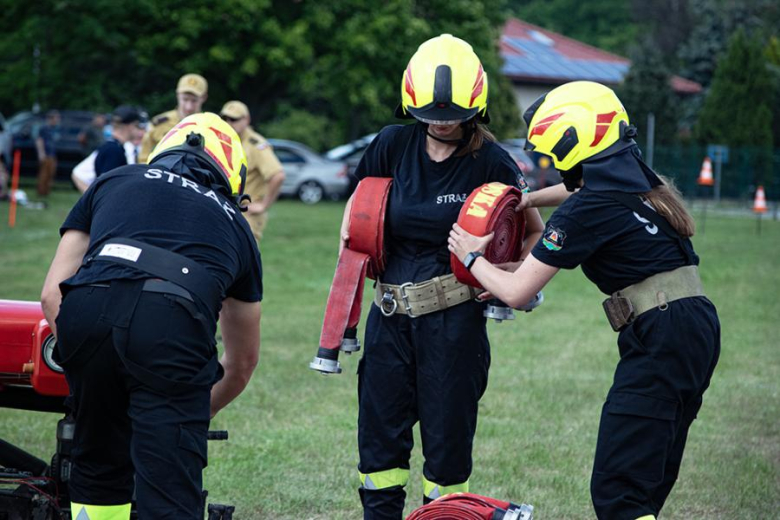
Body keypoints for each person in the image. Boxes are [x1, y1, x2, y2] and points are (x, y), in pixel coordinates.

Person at [448, 81, 720, 520]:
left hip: (662, 334)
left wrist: (471, 256)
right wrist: (521, 203)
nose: (553, 164)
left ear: (573, 145)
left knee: (619, 490)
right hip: (692, 326)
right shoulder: (638, 183)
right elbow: (553, 232)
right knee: (645, 479)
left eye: (555, 155)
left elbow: (519, 293)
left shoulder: (587, 211)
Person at [342, 34, 544, 519]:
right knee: (379, 445)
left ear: (475, 105)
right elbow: (356, 216)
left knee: (447, 450)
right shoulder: (391, 144)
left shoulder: (491, 161)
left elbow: (532, 232)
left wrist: (503, 273)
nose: (442, 122)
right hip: (388, 318)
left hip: (454, 324)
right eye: (431, 114)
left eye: (451, 113)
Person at [41, 112, 263, 519]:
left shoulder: (114, 179)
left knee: (97, 472)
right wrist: (188, 409)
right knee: (169, 490)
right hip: (170, 324)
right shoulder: (236, 224)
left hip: (88, 309)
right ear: (232, 174)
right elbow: (242, 362)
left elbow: (53, 293)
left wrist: (89, 366)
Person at [220, 100, 285, 242]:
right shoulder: (226, 141)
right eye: (225, 119)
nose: (229, 123)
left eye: (234, 119)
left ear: (247, 120)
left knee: (244, 262)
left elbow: (277, 175)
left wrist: (263, 205)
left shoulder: (255, 144)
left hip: (247, 215)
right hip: (228, 212)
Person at [137, 73, 208, 163]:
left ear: (204, 98)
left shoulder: (209, 125)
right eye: (185, 99)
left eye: (194, 101)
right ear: (177, 95)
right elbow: (143, 159)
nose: (188, 107)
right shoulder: (160, 123)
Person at [93, 106, 147, 177]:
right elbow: (110, 184)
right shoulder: (113, 150)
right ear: (130, 126)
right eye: (137, 126)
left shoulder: (111, 147)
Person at [35, 110, 60, 197]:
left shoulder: (54, 129)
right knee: (43, 174)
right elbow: (39, 140)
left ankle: (46, 191)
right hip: (46, 155)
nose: (57, 120)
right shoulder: (44, 128)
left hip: (52, 155)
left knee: (50, 174)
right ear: (51, 118)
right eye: (56, 118)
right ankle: (41, 191)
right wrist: (41, 153)